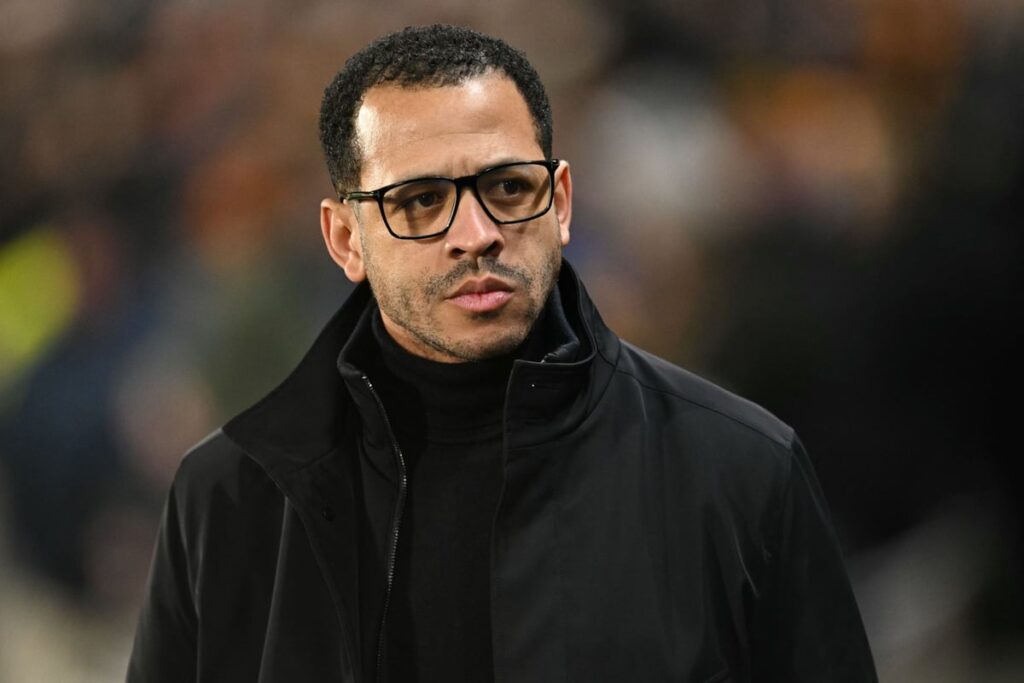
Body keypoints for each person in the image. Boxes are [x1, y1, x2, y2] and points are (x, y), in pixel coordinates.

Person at [128, 24, 877, 683]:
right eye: (419, 201)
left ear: (562, 204)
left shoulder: (741, 471)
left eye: (509, 188)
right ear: (344, 239)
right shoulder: (226, 498)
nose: (477, 232)